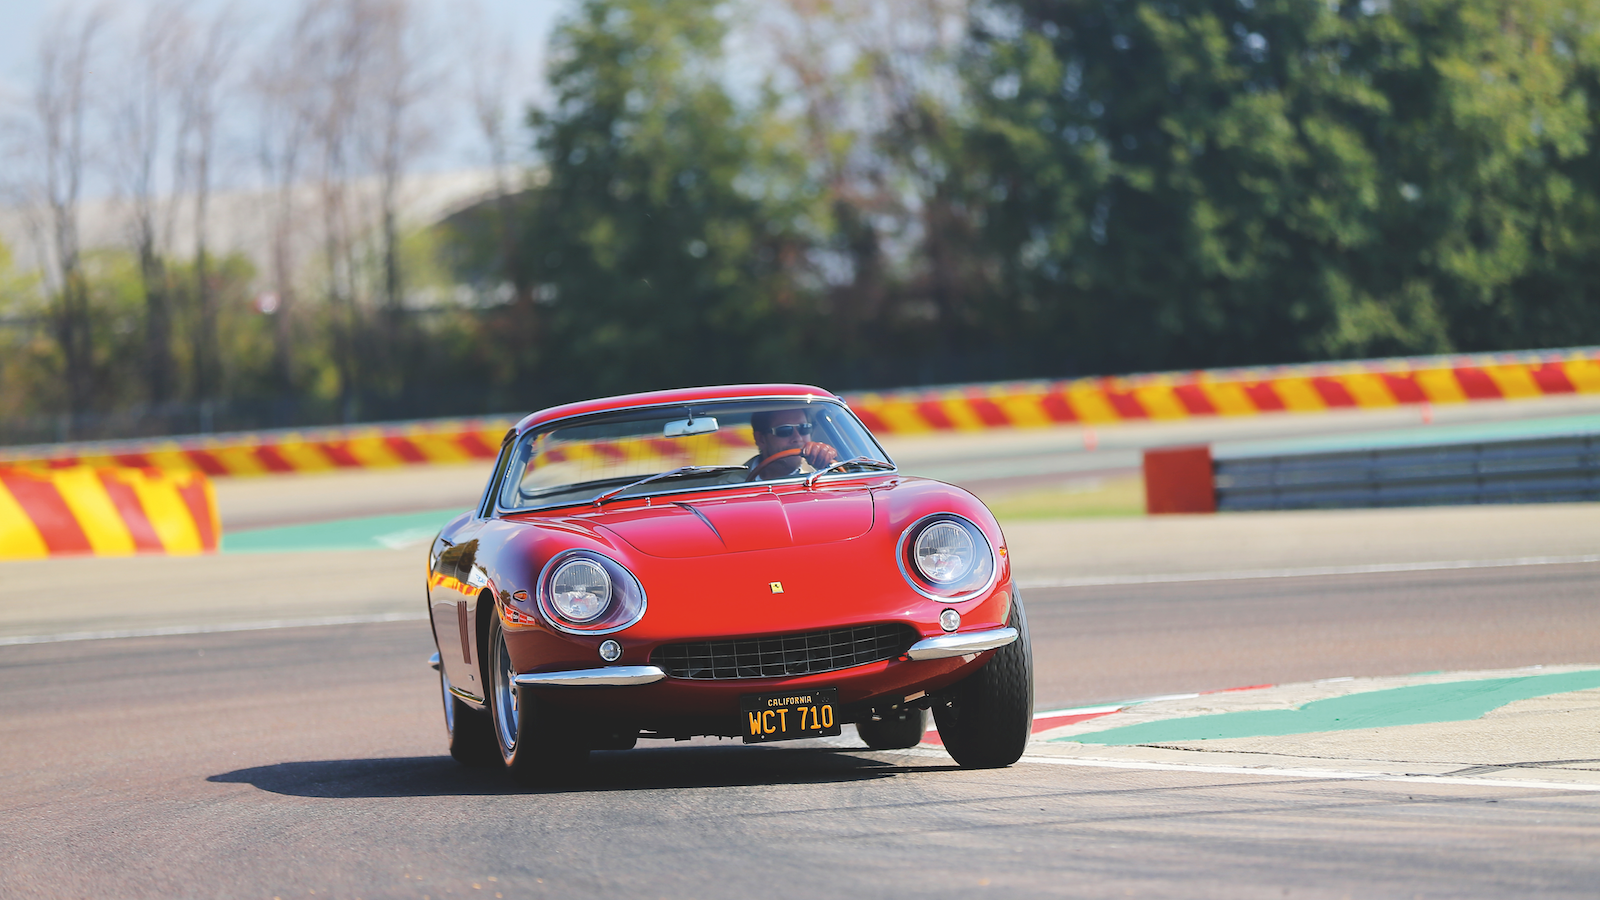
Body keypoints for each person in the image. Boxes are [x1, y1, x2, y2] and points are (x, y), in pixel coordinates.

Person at [746, 408, 838, 480]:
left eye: (804, 428)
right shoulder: (733, 482)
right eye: (784, 430)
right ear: (761, 439)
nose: (798, 438)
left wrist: (826, 463)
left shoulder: (825, 473)